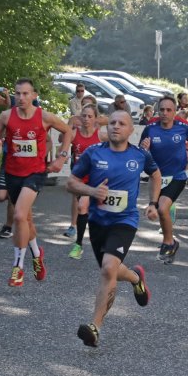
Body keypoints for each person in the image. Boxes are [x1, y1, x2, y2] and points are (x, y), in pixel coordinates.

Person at [68, 110, 159, 347]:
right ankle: (135, 277)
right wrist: (91, 192)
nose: (116, 127)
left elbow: (156, 175)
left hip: (124, 222)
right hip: (98, 223)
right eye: (112, 123)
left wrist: (153, 203)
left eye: (122, 124)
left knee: (108, 269)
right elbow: (71, 182)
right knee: (112, 271)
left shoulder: (140, 155)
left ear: (131, 130)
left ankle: (94, 327)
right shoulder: (94, 152)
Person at [0, 78, 73, 287]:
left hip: (35, 173)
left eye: (25, 94)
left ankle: (18, 267)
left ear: (34, 95)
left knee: (19, 215)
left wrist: (61, 157)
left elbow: (68, 131)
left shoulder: (44, 116)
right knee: (27, 221)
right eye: (17, 94)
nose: (21, 98)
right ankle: (36, 253)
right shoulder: (7, 116)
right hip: (13, 172)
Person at [140, 96, 188, 264]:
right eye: (162, 110)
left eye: (169, 110)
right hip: (156, 178)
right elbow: (140, 151)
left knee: (163, 209)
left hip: (177, 176)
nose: (165, 113)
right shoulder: (150, 129)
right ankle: (171, 243)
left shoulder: (183, 128)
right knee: (160, 212)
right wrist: (145, 149)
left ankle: (167, 242)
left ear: (174, 111)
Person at [64, 104, 106, 259]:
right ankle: (79, 244)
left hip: (97, 180)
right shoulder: (74, 134)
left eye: (90, 116)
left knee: (92, 210)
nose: (86, 119)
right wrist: (61, 155)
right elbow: (63, 144)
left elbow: (119, 143)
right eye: (84, 116)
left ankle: (87, 243)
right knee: (83, 208)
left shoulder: (101, 136)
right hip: (80, 181)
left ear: (95, 119)